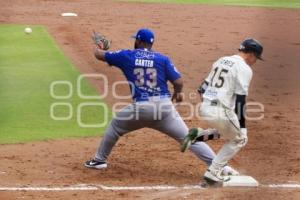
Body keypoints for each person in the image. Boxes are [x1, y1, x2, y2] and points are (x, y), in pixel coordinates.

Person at [84, 28, 226, 172]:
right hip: (165, 108)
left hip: (142, 108)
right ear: (151, 44)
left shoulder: (127, 55)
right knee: (189, 138)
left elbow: (99, 55)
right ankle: (220, 168)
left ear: (138, 41)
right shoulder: (162, 59)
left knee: (115, 126)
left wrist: (100, 46)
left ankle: (99, 160)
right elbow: (178, 82)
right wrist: (178, 93)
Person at [181, 38, 264, 183]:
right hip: (220, 110)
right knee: (240, 138)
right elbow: (240, 100)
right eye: (256, 58)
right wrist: (243, 127)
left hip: (205, 107)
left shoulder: (221, 60)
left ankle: (198, 135)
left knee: (229, 130)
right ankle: (213, 172)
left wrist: (209, 106)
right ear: (251, 54)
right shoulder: (245, 69)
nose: (255, 61)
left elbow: (202, 88)